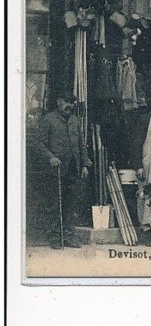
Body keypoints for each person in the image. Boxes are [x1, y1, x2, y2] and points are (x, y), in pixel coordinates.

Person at [32, 90, 91, 248]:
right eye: (66, 102)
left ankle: (68, 235)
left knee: (70, 203)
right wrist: (50, 156)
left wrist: (84, 164)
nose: (69, 106)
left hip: (73, 169)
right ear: (58, 101)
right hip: (55, 171)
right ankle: (55, 236)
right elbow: (38, 143)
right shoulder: (48, 120)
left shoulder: (75, 121)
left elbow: (81, 144)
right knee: (54, 204)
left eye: (71, 103)